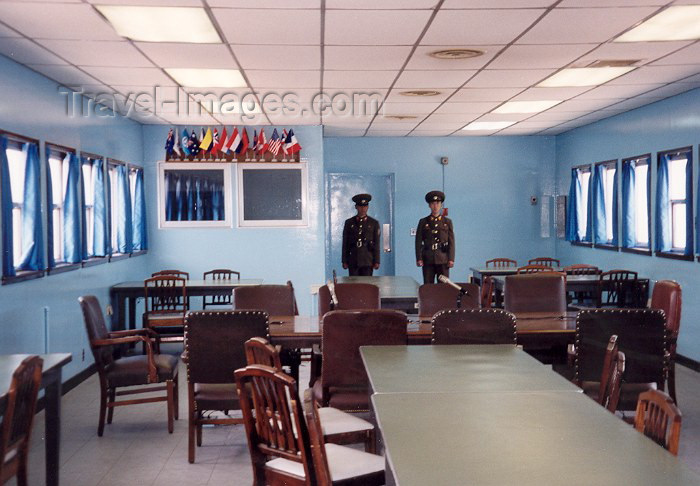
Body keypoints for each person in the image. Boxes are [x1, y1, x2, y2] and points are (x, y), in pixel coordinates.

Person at [415, 190, 455, 284]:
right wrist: (419, 258)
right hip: (428, 258)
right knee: (428, 286)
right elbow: (418, 241)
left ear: (441, 205)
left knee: (443, 287)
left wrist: (451, 258)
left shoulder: (447, 222)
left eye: (438, 203)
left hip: (443, 258)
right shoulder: (423, 222)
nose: (435, 206)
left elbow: (451, 242)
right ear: (429, 205)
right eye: (433, 203)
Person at [342, 193, 381, 276]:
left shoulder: (374, 223)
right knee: (353, 286)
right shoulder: (349, 223)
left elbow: (376, 243)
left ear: (368, 207)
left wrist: (377, 261)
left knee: (367, 285)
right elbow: (345, 243)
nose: (363, 209)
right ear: (356, 207)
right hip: (353, 259)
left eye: (365, 206)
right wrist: (344, 260)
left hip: (367, 260)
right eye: (360, 206)